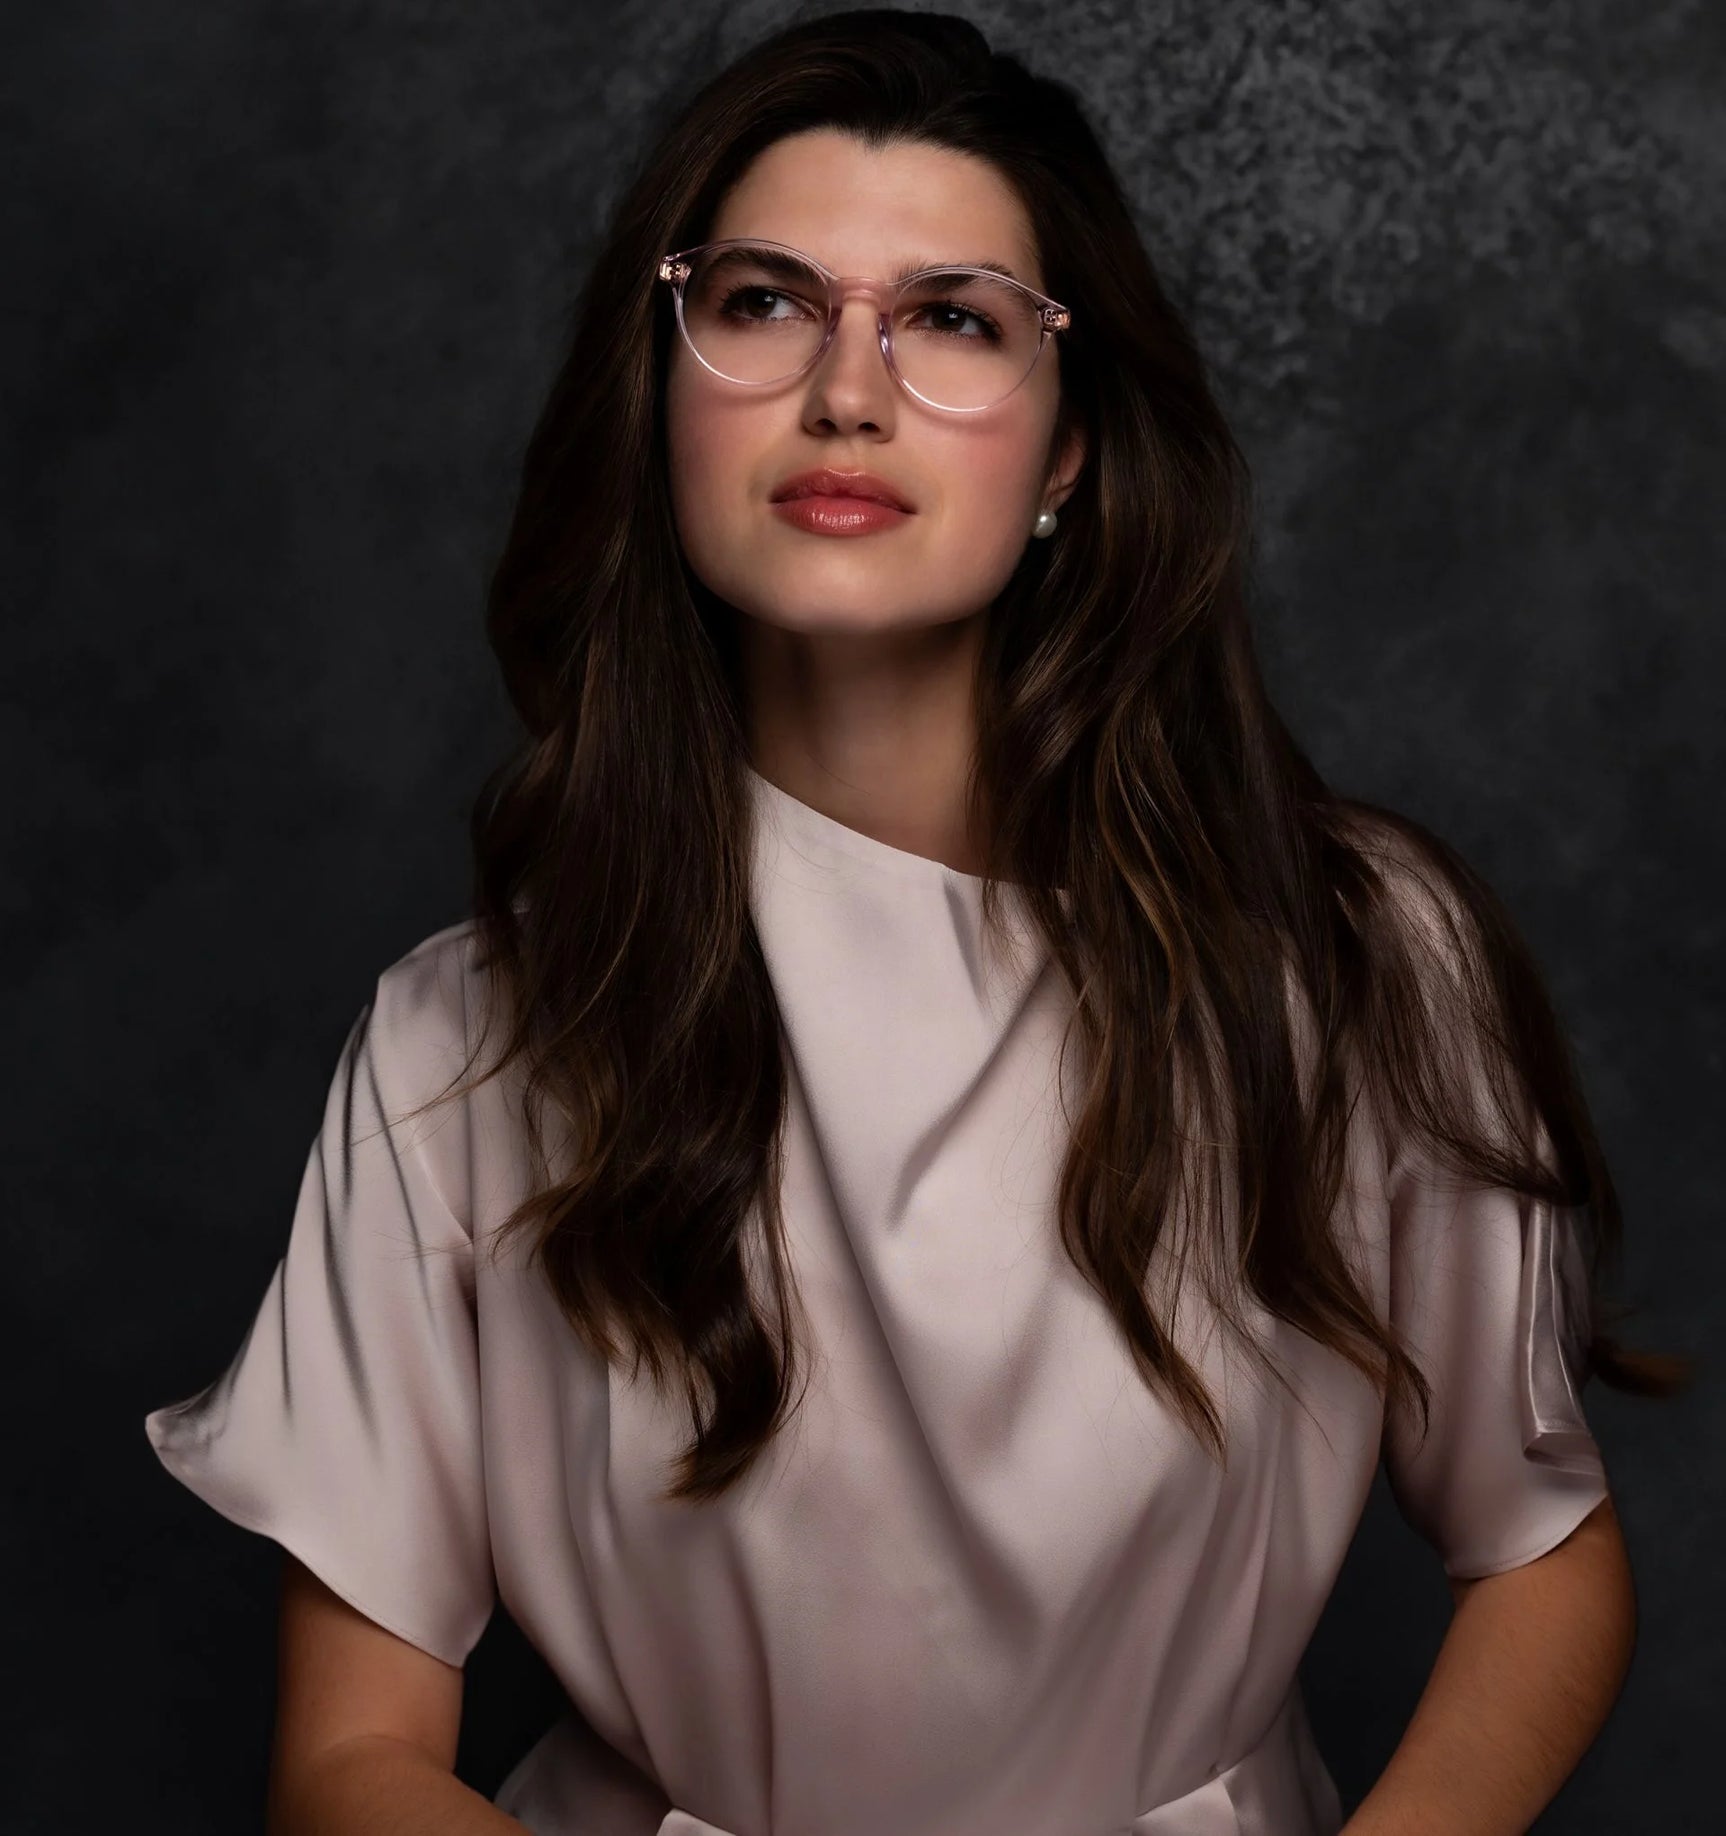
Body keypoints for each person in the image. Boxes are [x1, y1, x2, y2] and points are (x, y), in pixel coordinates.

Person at [143, 10, 1688, 1835]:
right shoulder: (458, 1039)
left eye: (951, 318)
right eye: (762, 301)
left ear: (1065, 453)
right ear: (661, 392)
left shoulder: (1352, 961)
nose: (846, 391)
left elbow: (1539, 1556)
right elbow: (351, 1755)